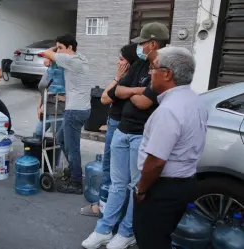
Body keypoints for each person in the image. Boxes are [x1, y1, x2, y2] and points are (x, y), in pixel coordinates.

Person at [82, 22, 169, 249]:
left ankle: (126, 231)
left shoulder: (164, 67)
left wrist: (131, 92)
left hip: (142, 135)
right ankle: (103, 229)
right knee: (117, 185)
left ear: (153, 43)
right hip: (122, 131)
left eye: (142, 43)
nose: (139, 47)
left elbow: (144, 102)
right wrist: (137, 90)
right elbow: (116, 91)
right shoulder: (141, 64)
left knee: (134, 186)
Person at [134, 46, 207, 249]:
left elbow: (156, 161)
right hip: (183, 184)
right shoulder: (195, 101)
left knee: (151, 239)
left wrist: (141, 189)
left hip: (162, 188)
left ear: (167, 74)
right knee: (162, 235)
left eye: (153, 68)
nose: (150, 72)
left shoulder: (169, 110)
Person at [80, 43, 138, 217]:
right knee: (114, 170)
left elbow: (104, 98)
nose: (118, 62)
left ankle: (104, 209)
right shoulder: (130, 79)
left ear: (130, 63)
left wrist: (117, 77)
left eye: (121, 59)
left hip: (120, 127)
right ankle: (107, 206)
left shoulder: (127, 81)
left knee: (112, 171)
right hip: (115, 124)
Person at [43, 34, 91, 194]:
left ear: (70, 48)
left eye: (61, 48)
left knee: (73, 148)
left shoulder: (71, 60)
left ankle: (76, 182)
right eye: (58, 48)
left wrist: (55, 51)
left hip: (74, 111)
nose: (59, 51)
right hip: (80, 108)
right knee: (61, 139)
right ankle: (73, 170)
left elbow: (47, 54)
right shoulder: (80, 57)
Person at [34, 58, 65, 138]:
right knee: (38, 133)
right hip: (47, 108)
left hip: (56, 109)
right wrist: (39, 107)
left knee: (57, 137)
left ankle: (65, 150)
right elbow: (43, 90)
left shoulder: (61, 72)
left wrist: (65, 98)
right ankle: (36, 150)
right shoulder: (49, 71)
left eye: (47, 58)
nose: (44, 60)